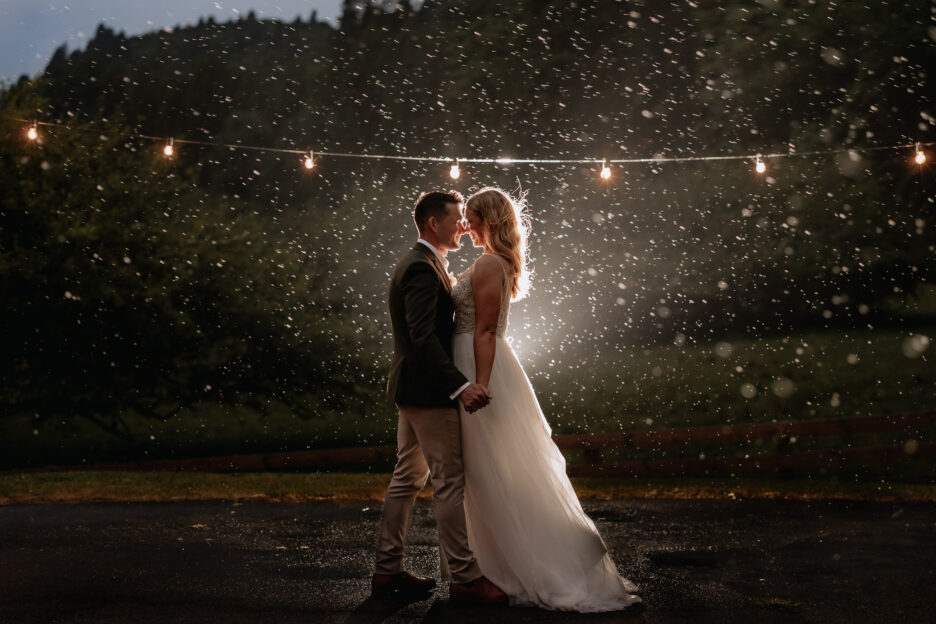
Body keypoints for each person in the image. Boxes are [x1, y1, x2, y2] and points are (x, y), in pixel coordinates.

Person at [451, 187, 643, 612]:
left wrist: (479, 384)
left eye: (471, 216)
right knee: (498, 469)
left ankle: (519, 565)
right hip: (488, 361)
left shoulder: (486, 263)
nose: (465, 224)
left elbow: (483, 330)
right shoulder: (496, 261)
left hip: (478, 363)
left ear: (488, 219)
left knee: (491, 472)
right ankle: (500, 562)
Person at [372, 190, 508, 606]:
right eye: (456, 220)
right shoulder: (420, 268)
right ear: (434, 223)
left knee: (407, 479)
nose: (463, 228)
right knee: (449, 481)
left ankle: (387, 569)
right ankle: (466, 578)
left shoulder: (424, 262)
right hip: (429, 392)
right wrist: (461, 385)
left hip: (412, 388)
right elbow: (423, 338)